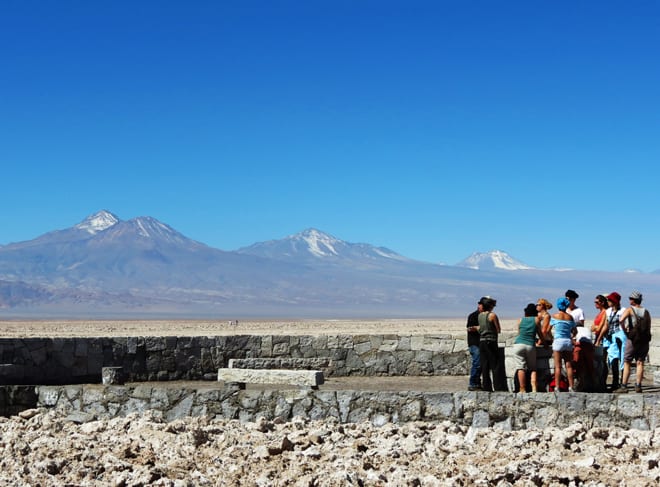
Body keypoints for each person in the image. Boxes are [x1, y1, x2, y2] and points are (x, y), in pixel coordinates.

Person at [616, 290, 652, 393]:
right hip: (644, 340)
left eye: (630, 298)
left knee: (627, 361)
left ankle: (624, 386)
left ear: (633, 300)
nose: (629, 300)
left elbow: (621, 320)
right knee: (640, 362)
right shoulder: (646, 312)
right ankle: (638, 385)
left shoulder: (630, 310)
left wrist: (625, 330)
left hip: (633, 339)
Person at [596, 292, 627, 391]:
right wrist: (599, 339)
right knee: (612, 360)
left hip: (620, 337)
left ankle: (621, 382)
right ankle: (615, 382)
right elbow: (606, 325)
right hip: (611, 338)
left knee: (621, 359)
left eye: (609, 300)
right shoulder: (608, 311)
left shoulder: (623, 311)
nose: (608, 302)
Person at [512, 303, 545, 392]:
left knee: (520, 368)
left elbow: (519, 334)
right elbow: (540, 334)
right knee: (533, 368)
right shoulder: (536, 320)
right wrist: (544, 343)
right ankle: (534, 388)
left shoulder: (520, 320)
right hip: (530, 345)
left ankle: (522, 389)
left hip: (518, 345)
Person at [478, 297, 507, 391]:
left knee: (485, 365)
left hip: (482, 341)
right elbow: (498, 329)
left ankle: (487, 387)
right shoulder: (492, 315)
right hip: (491, 341)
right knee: (495, 364)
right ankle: (498, 386)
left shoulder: (480, 315)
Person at [551, 297, 577, 392]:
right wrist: (571, 336)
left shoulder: (554, 316)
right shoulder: (570, 317)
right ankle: (571, 386)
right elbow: (575, 331)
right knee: (568, 365)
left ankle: (557, 387)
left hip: (558, 341)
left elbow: (546, 329)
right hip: (567, 341)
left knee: (558, 366)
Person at [466, 297, 487, 391]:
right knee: (477, 363)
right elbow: (469, 328)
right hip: (475, 343)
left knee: (481, 364)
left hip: (482, 343)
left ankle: (478, 383)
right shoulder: (473, 316)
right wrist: (481, 327)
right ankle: (473, 383)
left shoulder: (486, 316)